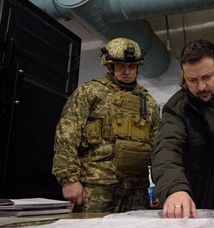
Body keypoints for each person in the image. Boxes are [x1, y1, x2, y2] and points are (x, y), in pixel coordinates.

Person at [52, 38, 160, 212]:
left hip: (136, 189)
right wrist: (69, 179)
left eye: (131, 67)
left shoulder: (149, 102)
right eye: (121, 66)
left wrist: (162, 185)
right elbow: (66, 134)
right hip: (96, 185)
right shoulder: (90, 92)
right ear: (110, 66)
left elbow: (157, 146)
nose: (127, 71)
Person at [152, 39, 214, 218]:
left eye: (207, 77)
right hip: (198, 203)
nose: (201, 86)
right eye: (192, 80)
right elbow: (166, 150)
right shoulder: (178, 108)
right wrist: (175, 189)